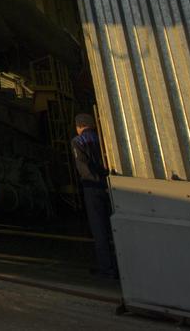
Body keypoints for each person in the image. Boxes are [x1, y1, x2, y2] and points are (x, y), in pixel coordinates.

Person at [73, 113, 118, 278]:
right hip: (110, 185)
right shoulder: (104, 139)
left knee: (99, 228)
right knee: (114, 227)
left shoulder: (78, 141)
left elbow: (83, 168)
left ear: (79, 127)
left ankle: (106, 268)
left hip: (93, 188)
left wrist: (95, 181)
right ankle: (120, 264)